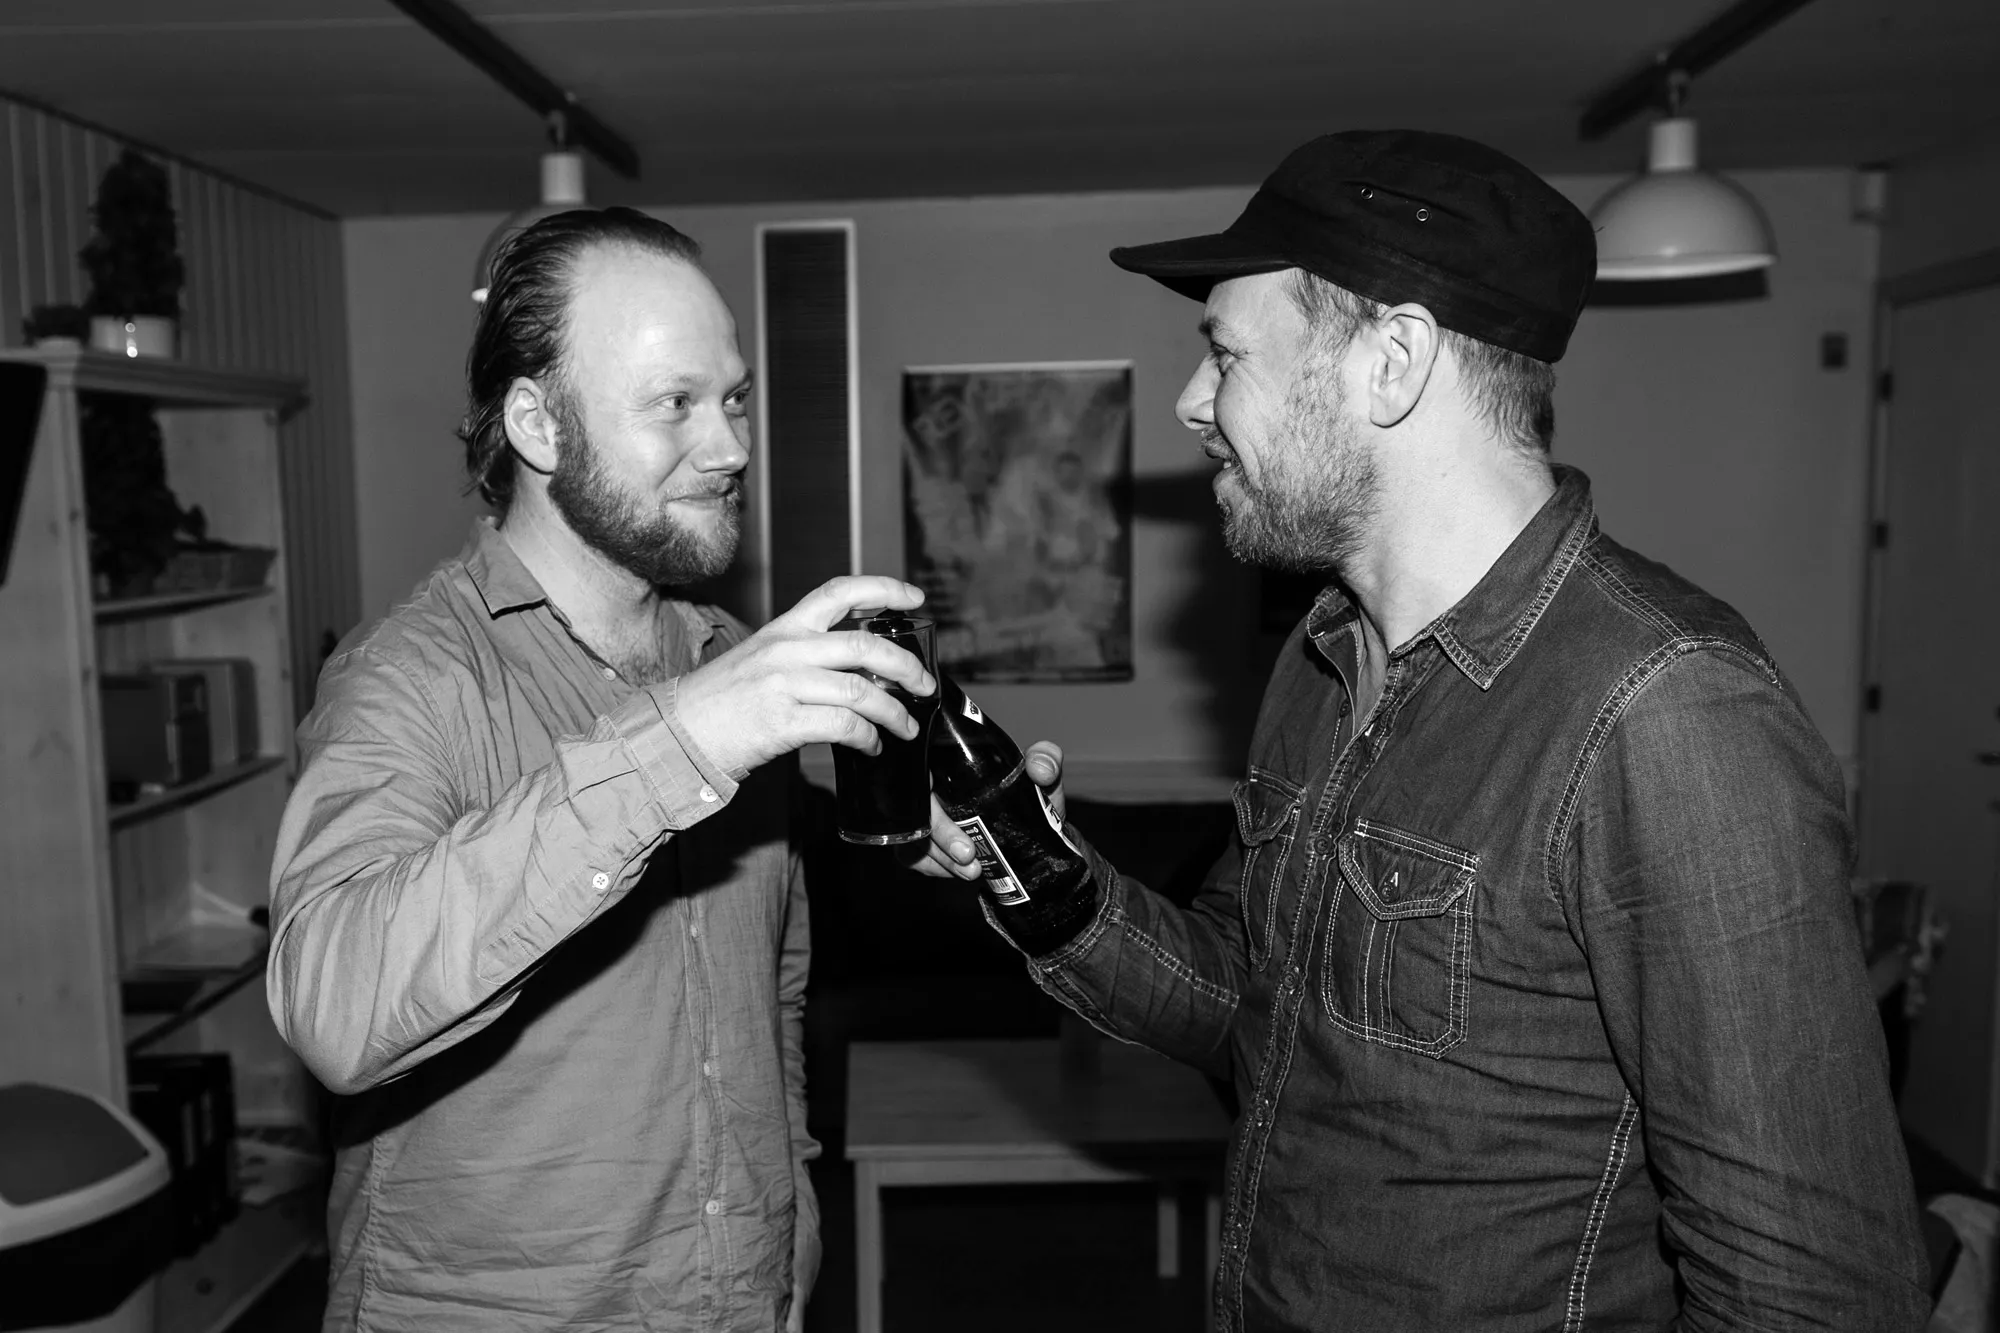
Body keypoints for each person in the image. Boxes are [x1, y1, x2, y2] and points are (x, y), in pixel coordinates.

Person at [918, 131, 1931, 1329]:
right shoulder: (1319, 661)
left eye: (1225, 353)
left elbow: (1810, 1287)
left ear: (1391, 362)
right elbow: (1250, 1008)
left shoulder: (1668, 709)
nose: (1191, 402)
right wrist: (1035, 869)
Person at [268, 208, 934, 1332]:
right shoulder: (404, 675)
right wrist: (678, 741)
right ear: (537, 424)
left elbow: (768, 988)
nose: (730, 447)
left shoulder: (727, 662)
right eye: (674, 402)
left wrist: (789, 1220)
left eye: (733, 399)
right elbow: (332, 1008)